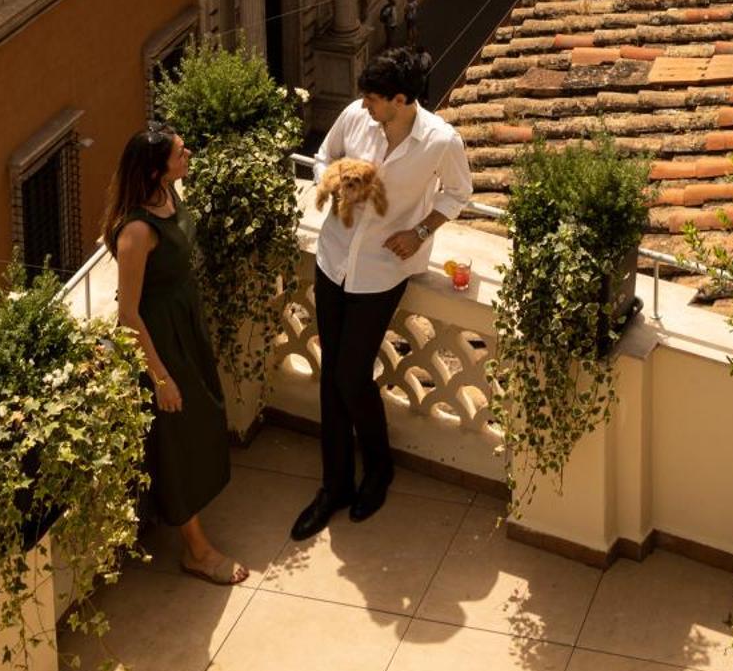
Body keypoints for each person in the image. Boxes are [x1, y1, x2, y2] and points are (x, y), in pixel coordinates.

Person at [291, 49, 473, 541]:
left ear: (400, 100)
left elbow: (458, 194)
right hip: (333, 258)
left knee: (351, 373)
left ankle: (379, 469)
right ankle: (334, 486)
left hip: (382, 271)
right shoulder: (355, 116)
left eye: (374, 98)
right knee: (335, 375)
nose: (364, 104)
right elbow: (324, 158)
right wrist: (333, 182)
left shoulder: (439, 141)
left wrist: (419, 232)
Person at [104, 125, 249, 584]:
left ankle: (195, 529)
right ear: (154, 170)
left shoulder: (168, 192)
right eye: (180, 153)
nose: (188, 155)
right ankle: (197, 551)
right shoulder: (137, 231)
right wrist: (160, 376)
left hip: (186, 322)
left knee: (202, 419)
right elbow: (128, 313)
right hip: (161, 339)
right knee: (176, 439)